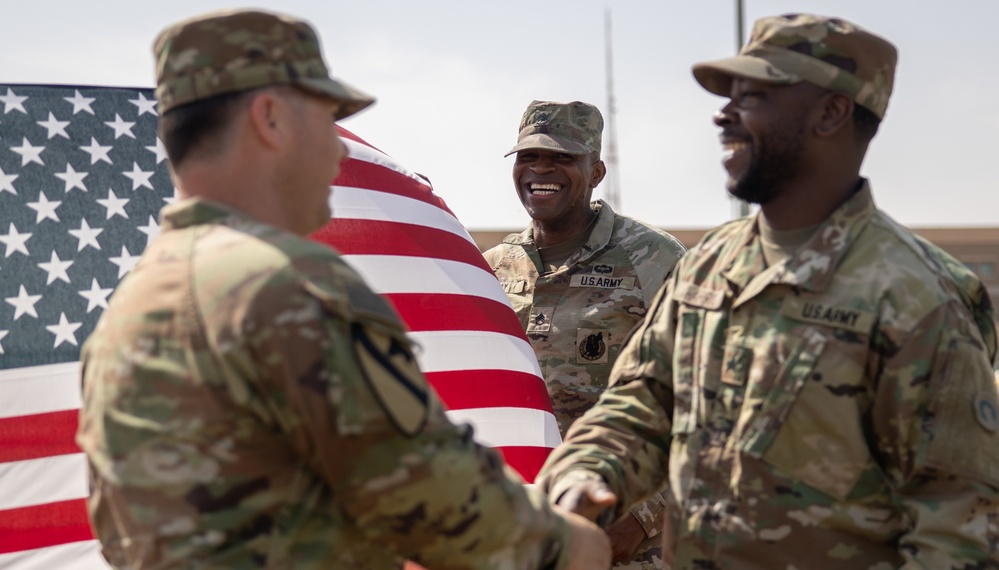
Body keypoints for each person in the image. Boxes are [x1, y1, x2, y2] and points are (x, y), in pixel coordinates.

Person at [75, 9, 611, 569]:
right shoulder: (284, 290)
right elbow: (425, 489)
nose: (337, 152)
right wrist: (569, 546)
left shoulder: (132, 306)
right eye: (326, 121)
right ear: (270, 118)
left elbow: (117, 530)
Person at [535, 13, 999, 568]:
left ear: (831, 112)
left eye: (754, 96)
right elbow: (640, 406)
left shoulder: (925, 294)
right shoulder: (707, 267)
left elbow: (959, 526)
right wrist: (583, 476)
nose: (723, 113)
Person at [484, 100, 686, 568]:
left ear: (595, 172)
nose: (541, 170)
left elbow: (704, 396)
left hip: (626, 536)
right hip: (521, 529)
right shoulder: (491, 267)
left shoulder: (653, 258)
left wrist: (641, 520)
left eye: (561, 158)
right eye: (529, 157)